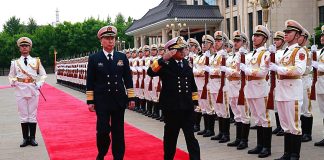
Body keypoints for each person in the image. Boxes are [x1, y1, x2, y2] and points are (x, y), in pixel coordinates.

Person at [86, 25, 135, 160]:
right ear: (101, 41)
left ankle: (118, 157)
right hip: (102, 101)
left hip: (119, 100)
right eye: (107, 38)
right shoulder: (94, 58)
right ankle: (102, 152)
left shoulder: (121, 57)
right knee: (102, 131)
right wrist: (90, 101)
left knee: (118, 132)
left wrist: (131, 97)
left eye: (112, 38)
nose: (111, 41)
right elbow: (90, 81)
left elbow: (128, 79)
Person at [147, 36, 201, 160]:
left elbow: (192, 84)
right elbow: (150, 72)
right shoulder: (165, 64)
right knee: (170, 139)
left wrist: (194, 102)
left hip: (187, 108)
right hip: (172, 109)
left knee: (191, 138)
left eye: (183, 49)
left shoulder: (186, 64)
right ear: (171, 51)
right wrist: (162, 59)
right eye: (179, 49)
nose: (182, 51)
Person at [270, 20, 307, 160]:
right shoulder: (284, 52)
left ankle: (295, 155)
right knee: (285, 125)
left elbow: (299, 69)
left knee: (294, 125)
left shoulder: (300, 51)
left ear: (297, 35)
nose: (285, 34)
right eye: (285, 32)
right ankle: (287, 153)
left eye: (288, 32)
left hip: (292, 92)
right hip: (281, 92)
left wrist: (278, 68)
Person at [8, 37, 47, 147]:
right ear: (19, 48)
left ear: (29, 48)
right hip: (20, 90)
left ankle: (33, 138)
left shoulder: (36, 61)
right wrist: (12, 81)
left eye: (26, 46)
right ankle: (25, 138)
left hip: (33, 90)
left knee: (33, 115)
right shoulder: (15, 63)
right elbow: (11, 76)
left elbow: (43, 74)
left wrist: (40, 83)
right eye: (22, 46)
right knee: (23, 115)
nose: (24, 47)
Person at [241, 25, 271, 158]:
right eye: (254, 35)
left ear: (264, 39)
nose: (254, 38)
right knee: (257, 119)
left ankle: (266, 147)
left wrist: (245, 69)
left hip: (260, 89)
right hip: (250, 89)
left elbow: (262, 72)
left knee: (264, 119)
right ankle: (260, 145)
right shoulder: (250, 54)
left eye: (258, 36)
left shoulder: (266, 54)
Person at [272, 31, 286, 136]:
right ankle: (278, 125)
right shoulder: (274, 51)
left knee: (282, 106)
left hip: (280, 80)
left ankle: (283, 126)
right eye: (275, 40)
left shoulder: (283, 52)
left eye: (278, 40)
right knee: (276, 106)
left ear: (283, 41)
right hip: (273, 81)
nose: (275, 42)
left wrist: (272, 55)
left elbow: (278, 62)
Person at [314, 25, 324, 146]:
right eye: (321, 35)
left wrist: (318, 66)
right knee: (323, 112)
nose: (322, 37)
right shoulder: (321, 51)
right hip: (320, 85)